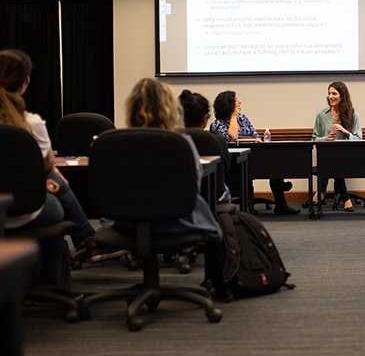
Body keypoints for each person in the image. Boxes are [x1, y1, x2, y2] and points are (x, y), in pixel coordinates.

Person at [0, 49, 124, 285]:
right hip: (26, 212)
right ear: (24, 85)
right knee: (55, 202)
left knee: (54, 186)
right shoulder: (31, 122)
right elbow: (47, 164)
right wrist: (49, 177)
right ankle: (77, 255)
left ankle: (89, 243)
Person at [116, 78, 223, 241]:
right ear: (170, 109)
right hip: (178, 221)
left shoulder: (117, 143)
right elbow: (195, 185)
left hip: (127, 222)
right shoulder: (180, 142)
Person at [210, 90, 299, 215]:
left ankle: (281, 204)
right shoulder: (217, 124)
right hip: (235, 163)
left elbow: (256, 136)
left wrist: (255, 139)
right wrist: (234, 117)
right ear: (228, 104)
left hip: (254, 158)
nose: (239, 102)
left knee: (275, 162)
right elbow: (232, 137)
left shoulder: (243, 118)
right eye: (236, 100)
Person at [312, 81, 362, 212]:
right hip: (325, 157)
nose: (330, 97)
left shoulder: (353, 115)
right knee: (331, 159)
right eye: (329, 93)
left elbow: (359, 139)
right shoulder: (321, 115)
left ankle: (321, 192)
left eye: (334, 93)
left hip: (347, 157)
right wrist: (326, 138)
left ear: (342, 96)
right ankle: (346, 198)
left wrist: (344, 131)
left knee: (335, 161)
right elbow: (314, 139)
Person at [179, 89, 231, 205]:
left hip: (179, 196)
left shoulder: (173, 139)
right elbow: (226, 166)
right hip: (213, 196)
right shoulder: (216, 139)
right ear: (204, 118)